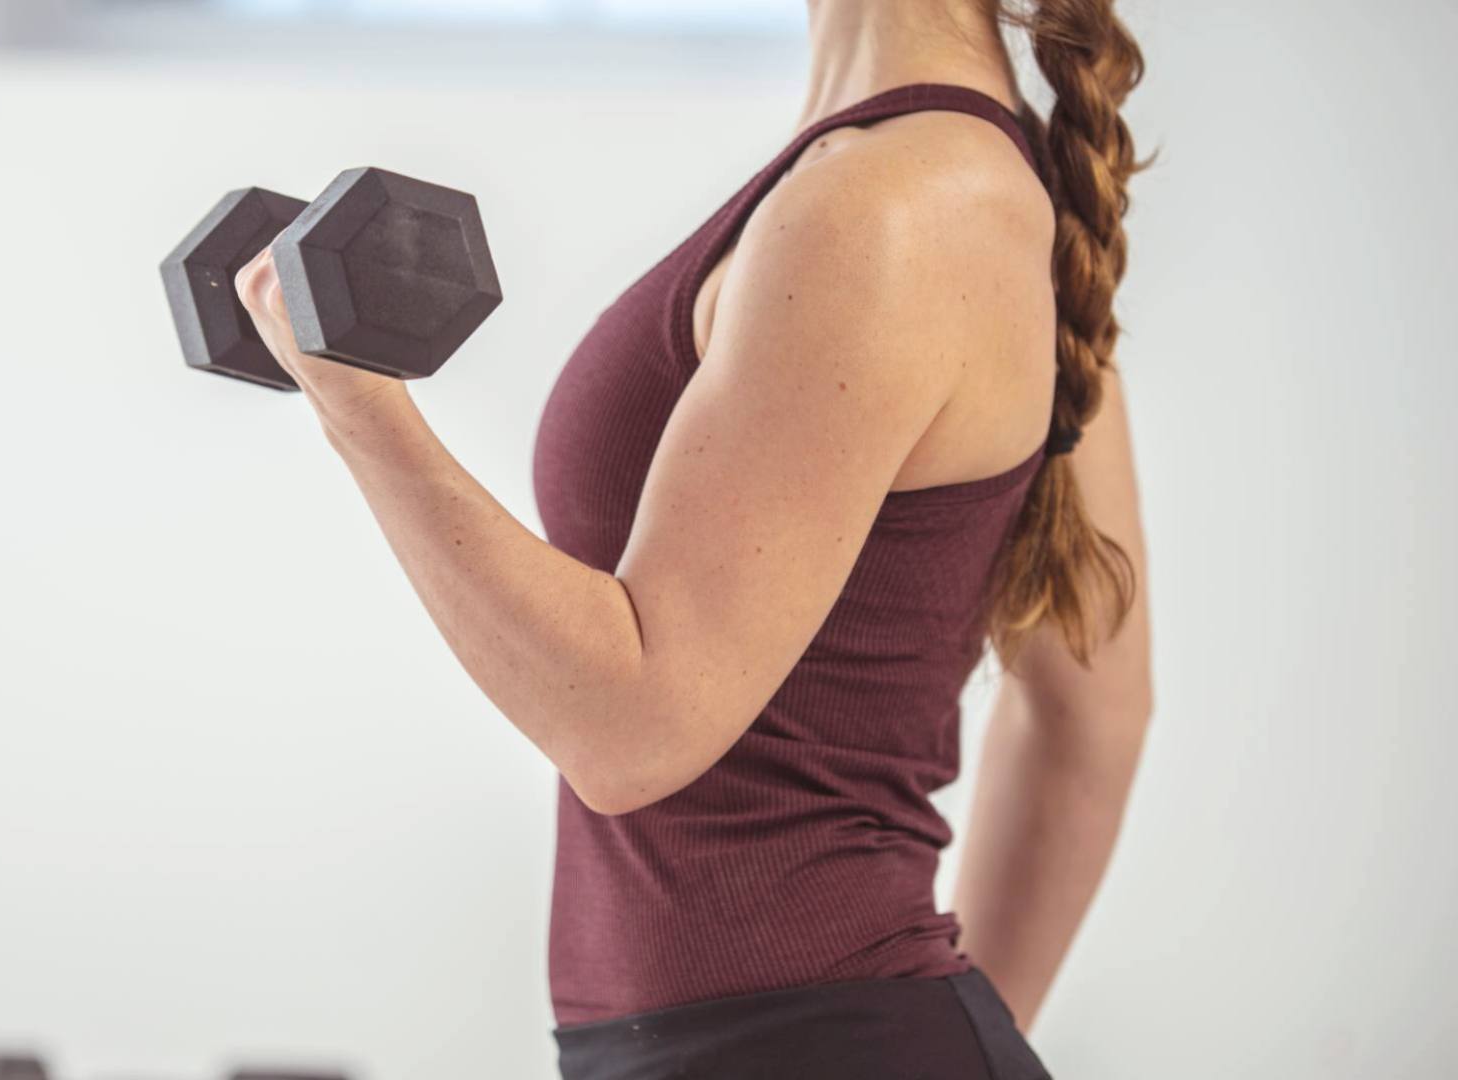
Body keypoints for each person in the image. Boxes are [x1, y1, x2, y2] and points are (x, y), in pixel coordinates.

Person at [233, 0, 1151, 1074]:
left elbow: (634, 727)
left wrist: (357, 408)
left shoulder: (894, 202)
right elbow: (1096, 713)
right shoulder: (954, 184)